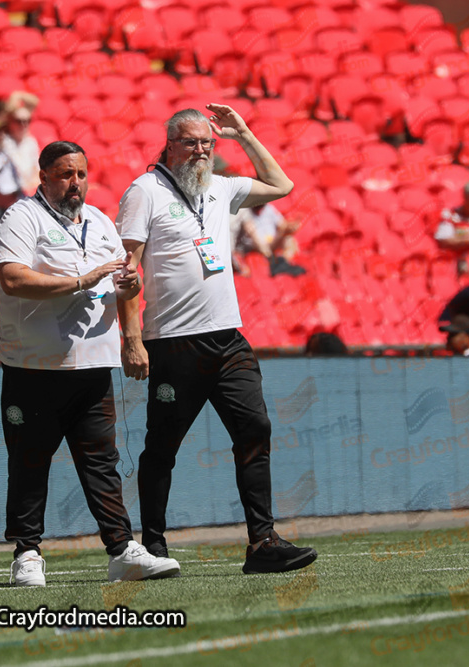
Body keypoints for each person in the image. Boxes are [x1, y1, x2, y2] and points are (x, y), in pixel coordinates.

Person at [115, 104, 318, 574]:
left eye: (208, 143)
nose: (201, 151)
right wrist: (131, 338)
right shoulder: (144, 191)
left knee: (256, 429)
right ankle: (153, 544)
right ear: (169, 144)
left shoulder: (220, 187)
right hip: (173, 341)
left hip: (228, 339)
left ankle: (262, 541)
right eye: (191, 142)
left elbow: (283, 186)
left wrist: (244, 133)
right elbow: (127, 273)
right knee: (163, 446)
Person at [0, 140, 179, 586]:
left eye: (80, 174)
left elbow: (123, 286)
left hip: (94, 365)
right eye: (64, 174)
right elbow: (13, 279)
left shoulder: (99, 222)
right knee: (30, 460)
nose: (75, 183)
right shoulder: (22, 217)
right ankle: (27, 553)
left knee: (102, 462)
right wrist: (80, 280)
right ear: (43, 177)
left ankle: (121, 549)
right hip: (33, 366)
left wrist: (131, 322)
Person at [2, 91, 41, 195]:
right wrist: (16, 96)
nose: (23, 125)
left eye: (27, 121)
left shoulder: (31, 142)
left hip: (29, 190)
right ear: (10, 121)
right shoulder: (3, 141)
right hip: (10, 192)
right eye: (19, 121)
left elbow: (36, 169)